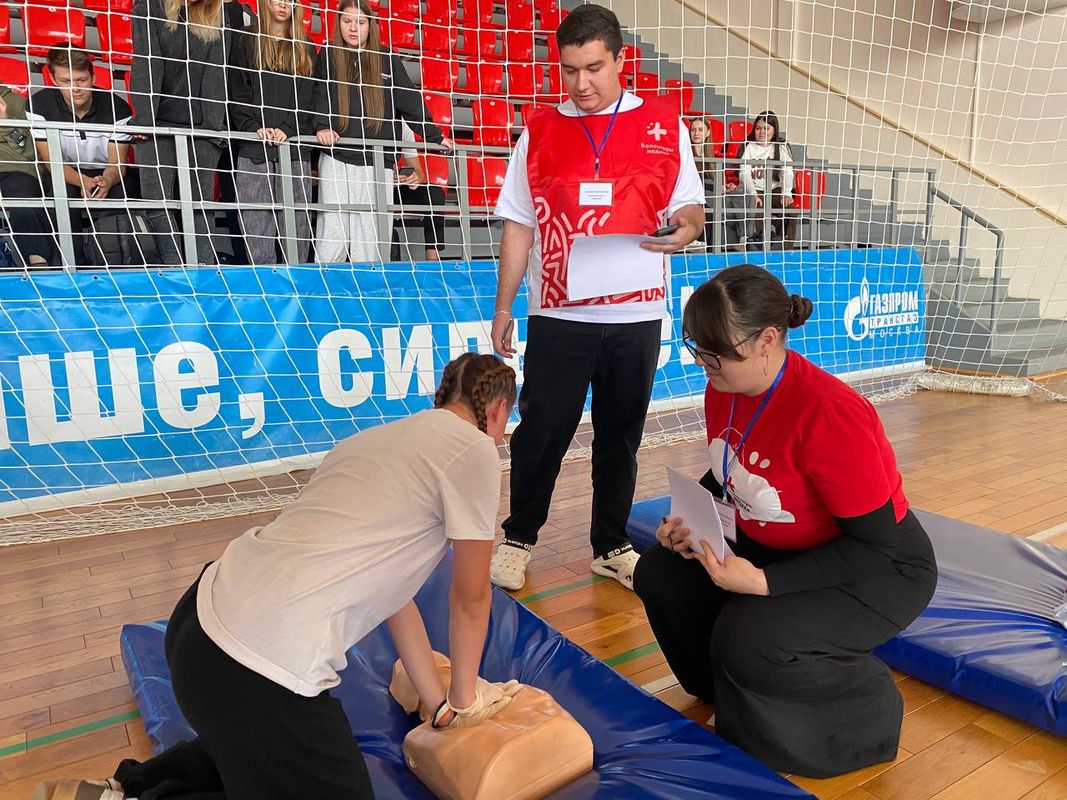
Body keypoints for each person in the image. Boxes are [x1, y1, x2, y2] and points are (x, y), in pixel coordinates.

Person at [33, 353, 521, 800]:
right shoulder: (474, 449)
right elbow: (471, 598)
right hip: (258, 663)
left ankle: (121, 788)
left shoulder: (376, 439)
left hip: (198, 626)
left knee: (254, 743)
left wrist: (438, 707)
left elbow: (395, 599)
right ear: (498, 410)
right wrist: (465, 701)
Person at [633, 264, 937, 778]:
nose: (703, 363)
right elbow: (731, 468)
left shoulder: (830, 413)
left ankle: (864, 719)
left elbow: (875, 544)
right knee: (661, 574)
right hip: (781, 541)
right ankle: (722, 690)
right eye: (697, 349)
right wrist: (685, 520)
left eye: (715, 353)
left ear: (767, 340)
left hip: (876, 565)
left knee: (750, 638)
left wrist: (761, 582)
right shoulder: (724, 385)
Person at [488, 3, 705, 591]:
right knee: (542, 431)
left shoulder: (663, 124)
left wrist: (687, 227)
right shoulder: (538, 130)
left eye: (593, 68)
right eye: (569, 70)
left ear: (620, 60)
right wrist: (505, 306)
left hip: (637, 312)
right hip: (559, 311)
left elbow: (689, 206)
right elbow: (518, 224)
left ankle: (610, 544)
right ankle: (518, 537)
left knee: (621, 433)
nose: (581, 83)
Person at [310, 0, 450, 264]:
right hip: (337, 157)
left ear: (370, 26)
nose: (353, 28)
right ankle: (325, 287)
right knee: (332, 236)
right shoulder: (328, 53)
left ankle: (372, 288)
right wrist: (321, 125)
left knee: (372, 241)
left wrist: (435, 135)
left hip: (376, 163)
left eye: (360, 22)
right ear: (338, 24)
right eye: (347, 21)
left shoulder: (387, 58)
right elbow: (319, 93)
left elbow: (409, 100)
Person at [130, 0, 229, 265]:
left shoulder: (217, 16)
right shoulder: (148, 8)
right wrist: (145, 121)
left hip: (201, 127)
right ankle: (173, 269)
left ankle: (204, 269)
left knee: (200, 205)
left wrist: (212, 129)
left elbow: (215, 74)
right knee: (157, 202)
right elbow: (147, 63)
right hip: (156, 123)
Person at [228, 0, 316, 265]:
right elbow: (237, 93)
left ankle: (296, 289)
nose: (283, 4)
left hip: (294, 152)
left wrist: (288, 129)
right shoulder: (245, 40)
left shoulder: (306, 46)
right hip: (254, 149)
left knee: (297, 236)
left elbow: (310, 99)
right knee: (256, 235)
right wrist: (254, 127)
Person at [28, 47, 134, 265]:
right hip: (65, 171)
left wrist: (107, 180)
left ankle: (111, 260)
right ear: (53, 80)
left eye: (81, 80)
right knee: (60, 193)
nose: (75, 88)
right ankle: (72, 263)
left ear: (93, 78)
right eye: (66, 81)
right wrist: (81, 181)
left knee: (121, 192)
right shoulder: (38, 104)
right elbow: (52, 163)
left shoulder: (117, 107)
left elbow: (118, 164)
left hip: (106, 171)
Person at [0, 85, 56, 267]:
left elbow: (30, 153)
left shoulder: (16, 103)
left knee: (22, 198)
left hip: (15, 169)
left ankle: (38, 262)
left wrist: (5, 122)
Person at [737, 110, 795, 248]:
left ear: (774, 131)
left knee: (789, 208)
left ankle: (785, 246)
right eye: (758, 128)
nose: (762, 132)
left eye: (766, 128)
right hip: (756, 191)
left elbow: (787, 171)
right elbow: (744, 173)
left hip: (774, 190)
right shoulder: (749, 147)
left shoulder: (781, 147)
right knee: (756, 207)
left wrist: (786, 192)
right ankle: (760, 244)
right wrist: (753, 194)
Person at [391, 120, 447, 261]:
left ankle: (432, 257)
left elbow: (419, 174)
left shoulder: (403, 126)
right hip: (370, 188)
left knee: (434, 192)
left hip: (394, 189)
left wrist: (413, 178)